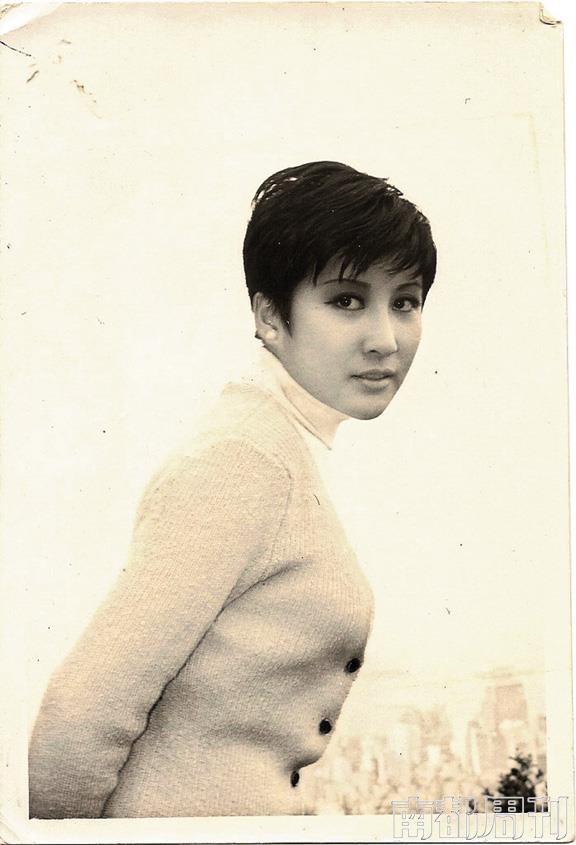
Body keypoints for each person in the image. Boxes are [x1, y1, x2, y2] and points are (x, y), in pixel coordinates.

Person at [28, 160, 437, 818]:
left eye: (405, 301)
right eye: (346, 300)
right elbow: (80, 715)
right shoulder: (242, 459)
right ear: (270, 315)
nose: (385, 339)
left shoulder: (278, 448)